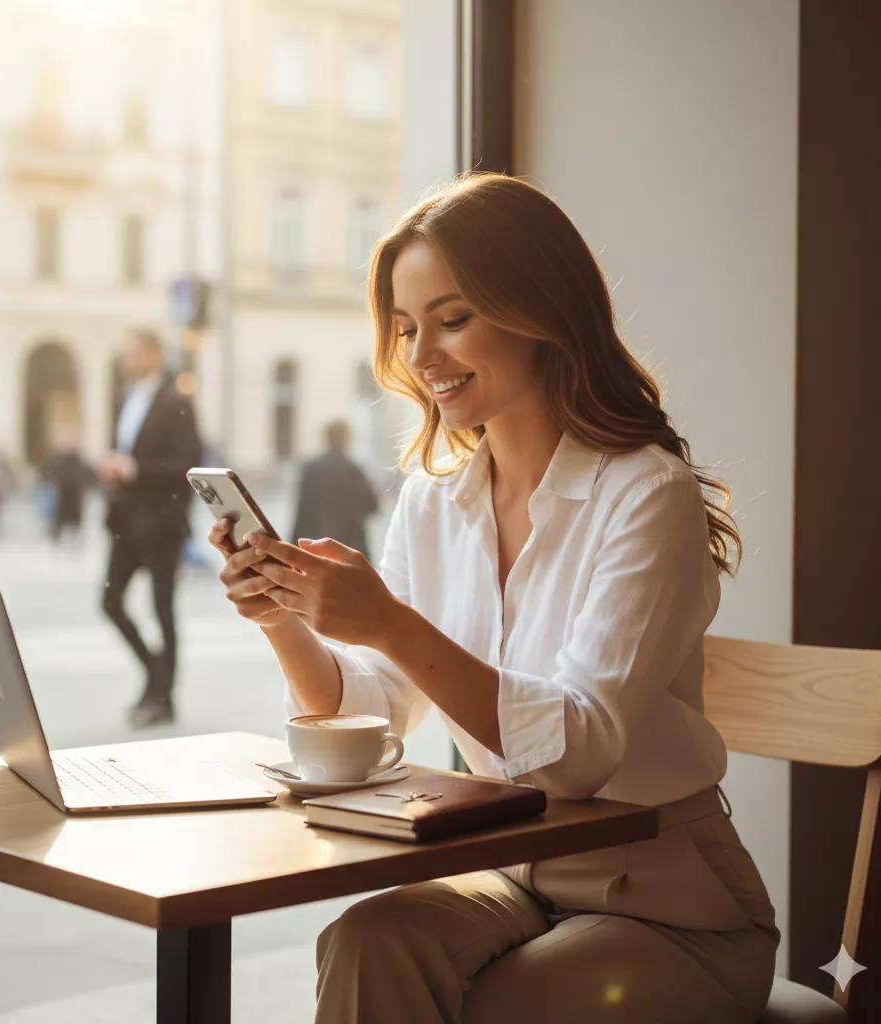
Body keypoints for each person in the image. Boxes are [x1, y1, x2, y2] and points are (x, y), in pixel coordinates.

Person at [209, 173, 778, 1023]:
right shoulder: (435, 504)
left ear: (541, 309)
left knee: (500, 1005)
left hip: (670, 902)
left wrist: (391, 623)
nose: (422, 355)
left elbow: (578, 754)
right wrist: (286, 618)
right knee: (366, 941)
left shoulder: (646, 494)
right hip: (517, 874)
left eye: (452, 318)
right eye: (406, 328)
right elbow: (375, 715)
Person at [99, 329, 200, 728]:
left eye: (134, 353)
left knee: (163, 610)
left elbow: (187, 465)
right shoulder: (125, 397)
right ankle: (156, 675)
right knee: (110, 602)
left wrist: (135, 469)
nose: (126, 361)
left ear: (155, 355)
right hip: (124, 521)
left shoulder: (177, 402)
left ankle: (164, 698)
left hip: (162, 525)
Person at [291, 420, 379, 560]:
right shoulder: (353, 469)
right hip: (350, 547)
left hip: (316, 546)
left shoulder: (311, 469)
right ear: (346, 438)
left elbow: (301, 512)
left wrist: (293, 548)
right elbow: (373, 506)